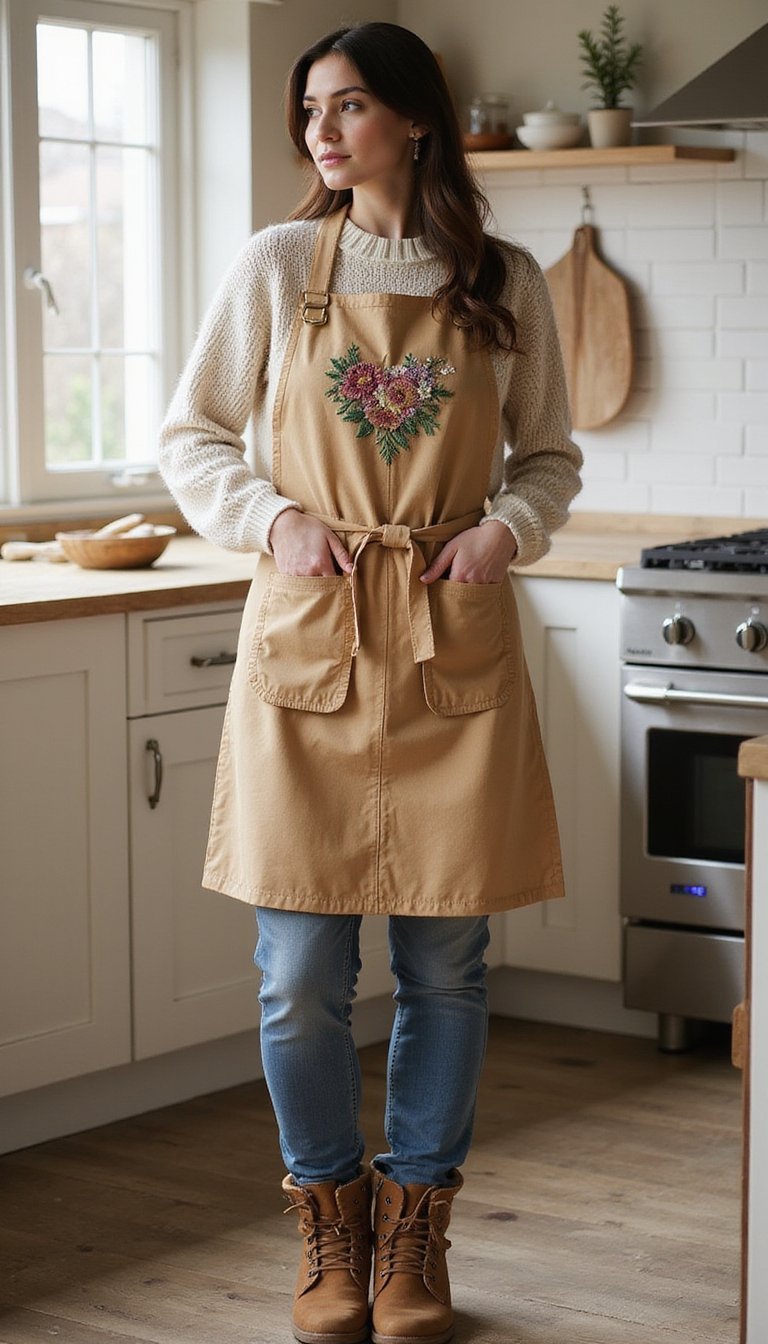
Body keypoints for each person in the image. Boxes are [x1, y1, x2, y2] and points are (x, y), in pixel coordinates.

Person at [159, 20, 582, 1344]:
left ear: (415, 118)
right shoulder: (279, 266)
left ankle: (416, 1235)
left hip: (449, 635)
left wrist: (505, 531)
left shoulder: (505, 280)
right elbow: (193, 433)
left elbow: (549, 458)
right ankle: (327, 1226)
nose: (321, 132)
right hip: (314, 639)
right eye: (310, 111)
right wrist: (273, 519)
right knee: (298, 974)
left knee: (447, 964)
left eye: (346, 106)